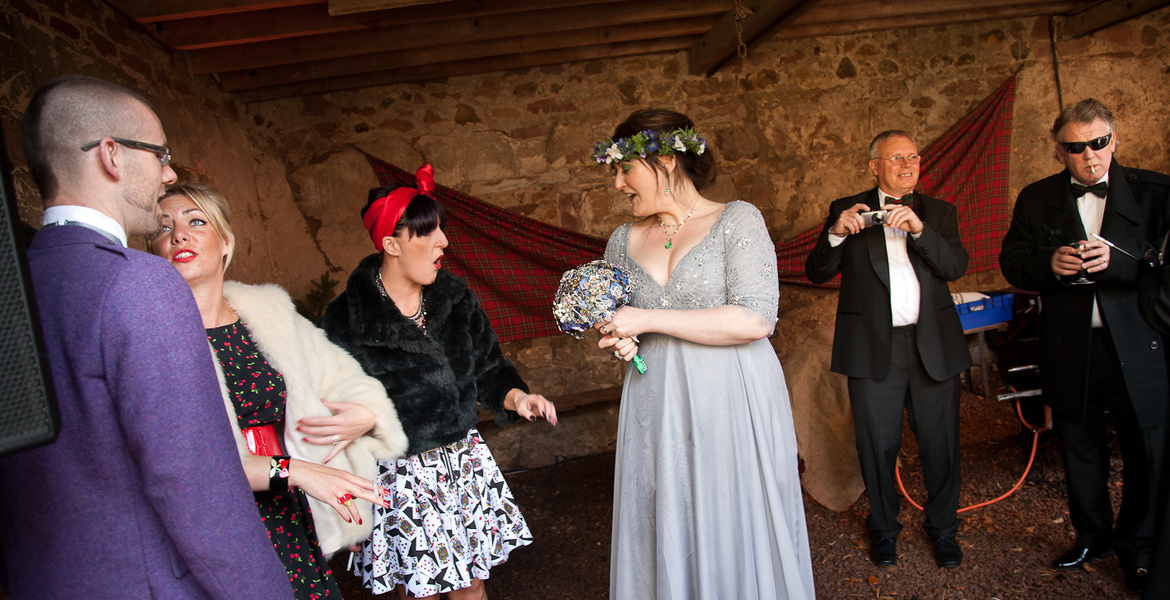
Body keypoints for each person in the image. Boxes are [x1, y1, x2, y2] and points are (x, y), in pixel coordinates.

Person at [0, 75, 292, 597]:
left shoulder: (18, 281)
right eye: (160, 154)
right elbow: (197, 485)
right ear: (112, 155)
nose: (169, 173)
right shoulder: (139, 283)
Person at [591, 108, 815, 599]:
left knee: (731, 509)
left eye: (624, 169)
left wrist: (646, 319)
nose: (618, 183)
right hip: (656, 400)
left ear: (666, 160)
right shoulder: (621, 241)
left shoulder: (737, 219)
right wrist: (624, 340)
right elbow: (626, 324)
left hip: (732, 395)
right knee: (666, 511)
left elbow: (755, 319)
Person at [149, 181, 410, 598]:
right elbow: (186, 462)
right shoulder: (152, 335)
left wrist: (364, 412)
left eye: (196, 222)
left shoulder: (267, 312)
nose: (179, 235)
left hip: (287, 510)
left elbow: (341, 377)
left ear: (225, 241)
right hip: (214, 521)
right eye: (164, 228)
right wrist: (298, 472)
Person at [319, 164, 555, 600]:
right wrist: (344, 497)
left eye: (441, 230)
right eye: (427, 232)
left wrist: (517, 396)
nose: (443, 241)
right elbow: (329, 412)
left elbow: (489, 367)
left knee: (471, 586)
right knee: (419, 593)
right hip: (397, 475)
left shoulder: (455, 297)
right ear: (391, 244)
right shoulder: (346, 320)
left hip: (462, 465)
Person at [999, 98, 1170, 593]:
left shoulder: (1157, 192)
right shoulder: (1036, 197)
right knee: (1079, 447)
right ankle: (1092, 537)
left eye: (1098, 142)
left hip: (1138, 345)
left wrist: (1122, 263)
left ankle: (1140, 547)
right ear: (1059, 152)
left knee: (1144, 450)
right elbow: (1012, 260)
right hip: (1070, 345)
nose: (1089, 155)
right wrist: (1047, 264)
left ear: (1114, 140)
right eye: (1076, 147)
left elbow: (1163, 267)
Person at [805, 130, 969, 569]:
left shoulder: (939, 212)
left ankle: (943, 529)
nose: (907, 165)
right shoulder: (848, 210)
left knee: (940, 444)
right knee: (876, 445)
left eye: (912, 157)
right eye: (896, 158)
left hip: (933, 344)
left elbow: (955, 265)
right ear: (874, 166)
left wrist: (920, 230)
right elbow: (817, 272)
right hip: (872, 347)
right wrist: (836, 234)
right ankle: (883, 528)